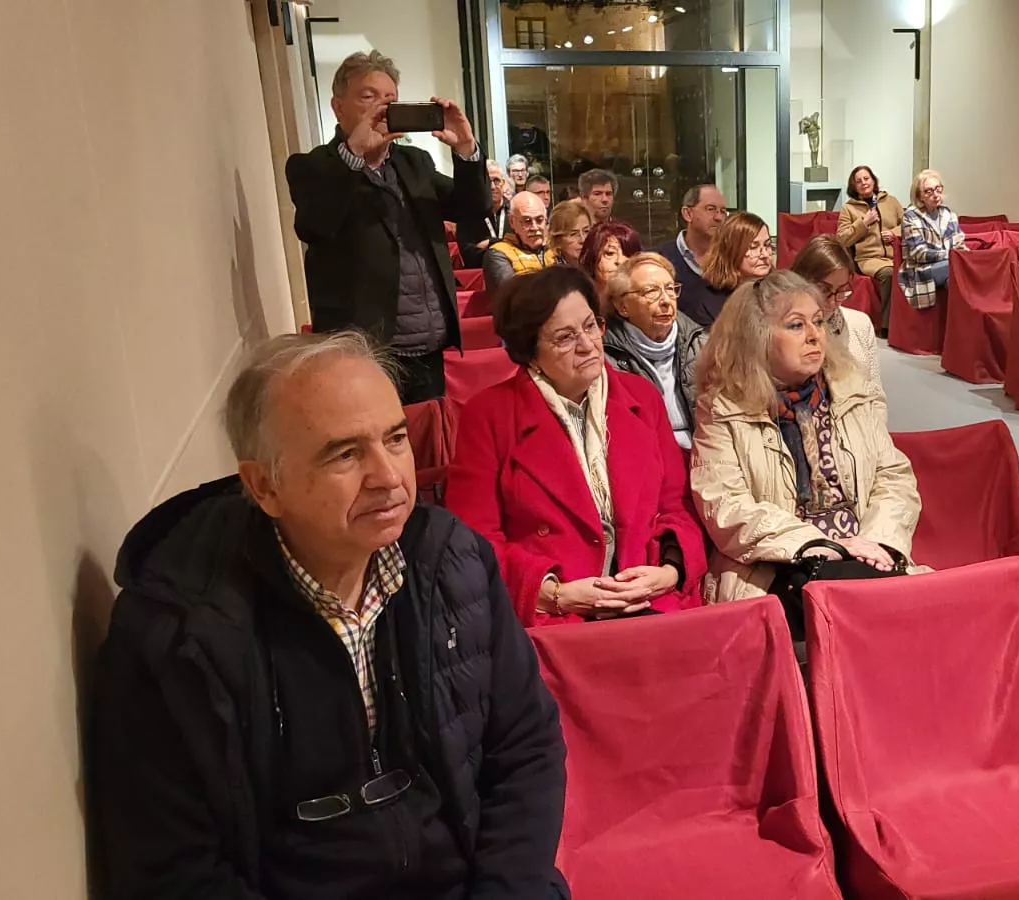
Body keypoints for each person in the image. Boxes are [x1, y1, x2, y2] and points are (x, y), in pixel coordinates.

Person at [91, 332, 569, 899]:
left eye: (395, 439)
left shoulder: (452, 561)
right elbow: (171, 868)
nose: (389, 476)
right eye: (345, 454)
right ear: (264, 486)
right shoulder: (176, 634)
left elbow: (526, 749)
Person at [445, 267, 707, 625]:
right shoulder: (489, 415)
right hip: (556, 612)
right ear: (529, 352)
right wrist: (554, 594)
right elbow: (475, 539)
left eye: (590, 326)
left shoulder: (642, 397)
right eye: (565, 337)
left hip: (650, 598)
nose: (587, 345)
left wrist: (669, 571)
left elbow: (677, 504)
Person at [690, 271, 921, 603]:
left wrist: (878, 541)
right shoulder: (723, 409)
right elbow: (726, 507)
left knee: (908, 600)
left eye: (818, 321)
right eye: (796, 325)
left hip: (867, 551)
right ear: (757, 336)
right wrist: (819, 545)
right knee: (858, 599)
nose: (815, 336)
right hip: (779, 560)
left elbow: (893, 476)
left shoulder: (852, 390)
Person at [285, 51, 491, 405]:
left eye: (390, 99)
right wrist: (353, 154)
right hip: (363, 354)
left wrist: (466, 148)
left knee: (427, 437)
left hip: (428, 346)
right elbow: (314, 226)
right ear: (338, 107)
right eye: (369, 97)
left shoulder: (415, 162)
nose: (382, 107)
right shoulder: (311, 167)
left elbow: (474, 208)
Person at [601, 252, 708, 450]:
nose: (666, 300)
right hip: (646, 453)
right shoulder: (606, 356)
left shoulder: (702, 345)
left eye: (670, 289)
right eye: (651, 291)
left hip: (704, 451)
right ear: (622, 306)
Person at [789, 234, 884, 394]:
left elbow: (876, 392)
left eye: (841, 290)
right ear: (801, 282)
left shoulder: (860, 324)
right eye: (824, 290)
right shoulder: (786, 332)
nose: (833, 302)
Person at [837, 165, 903, 333]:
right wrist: (863, 222)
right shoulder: (848, 208)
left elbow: (908, 224)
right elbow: (842, 238)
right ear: (853, 186)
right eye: (858, 181)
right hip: (868, 259)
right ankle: (887, 326)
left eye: (866, 179)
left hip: (895, 255)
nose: (864, 183)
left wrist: (894, 233)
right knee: (889, 273)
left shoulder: (891, 201)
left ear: (873, 180)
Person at [898, 168, 967, 312]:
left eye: (938, 189)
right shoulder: (910, 216)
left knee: (956, 278)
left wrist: (964, 254)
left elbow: (959, 243)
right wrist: (950, 254)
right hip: (920, 270)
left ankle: (958, 321)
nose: (935, 195)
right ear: (919, 196)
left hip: (947, 265)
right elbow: (919, 254)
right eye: (928, 192)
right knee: (958, 267)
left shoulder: (949, 214)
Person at [692, 211, 775, 327]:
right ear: (730, 251)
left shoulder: (780, 290)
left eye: (767, 245)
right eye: (753, 247)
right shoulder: (706, 302)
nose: (765, 255)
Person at [657, 183, 727, 301]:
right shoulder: (662, 259)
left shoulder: (731, 258)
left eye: (723, 211)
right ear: (688, 214)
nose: (719, 217)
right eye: (710, 209)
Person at [482, 191, 551, 288]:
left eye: (540, 220)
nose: (534, 227)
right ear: (511, 221)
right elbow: (509, 294)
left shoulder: (556, 249)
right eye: (527, 221)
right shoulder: (498, 254)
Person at [459, 160, 510, 269]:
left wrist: (488, 244)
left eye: (496, 180)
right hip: (481, 273)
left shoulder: (515, 210)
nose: (492, 187)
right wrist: (502, 245)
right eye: (487, 181)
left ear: (503, 183)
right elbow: (467, 255)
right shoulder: (467, 214)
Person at [580, 219, 643, 297]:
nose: (620, 261)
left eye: (628, 254)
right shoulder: (575, 301)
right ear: (591, 257)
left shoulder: (645, 303)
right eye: (610, 253)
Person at [547, 198, 592, 268]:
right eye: (573, 234)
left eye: (586, 231)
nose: (583, 240)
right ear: (557, 240)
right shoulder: (552, 273)